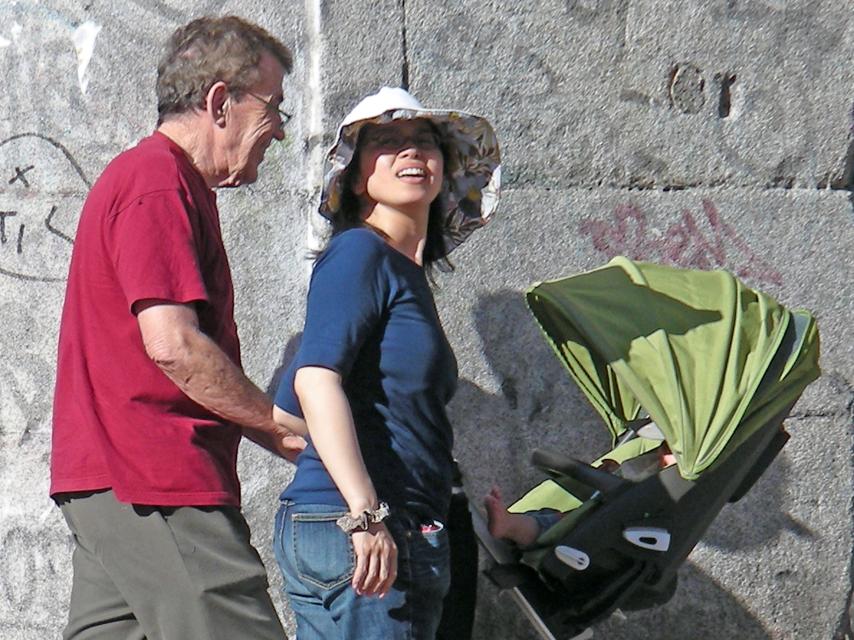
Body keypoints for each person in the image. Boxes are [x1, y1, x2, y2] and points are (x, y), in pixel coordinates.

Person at [50, 16, 305, 640]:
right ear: (220, 102)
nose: (279, 129)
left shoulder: (157, 181)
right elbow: (174, 344)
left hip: (114, 484)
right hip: (157, 476)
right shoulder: (157, 182)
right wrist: (274, 425)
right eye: (274, 107)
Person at [271, 86, 501, 639]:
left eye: (424, 142)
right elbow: (313, 381)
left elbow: (288, 413)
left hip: (368, 526)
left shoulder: (399, 272)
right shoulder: (360, 253)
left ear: (446, 168)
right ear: (354, 177)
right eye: (387, 142)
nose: (410, 152)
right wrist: (365, 511)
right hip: (369, 529)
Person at [484, 445, 677, 547]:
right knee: (555, 515)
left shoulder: (674, 489)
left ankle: (510, 526)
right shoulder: (654, 464)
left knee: (566, 523)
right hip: (598, 507)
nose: (662, 452)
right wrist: (608, 472)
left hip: (602, 536)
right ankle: (512, 524)